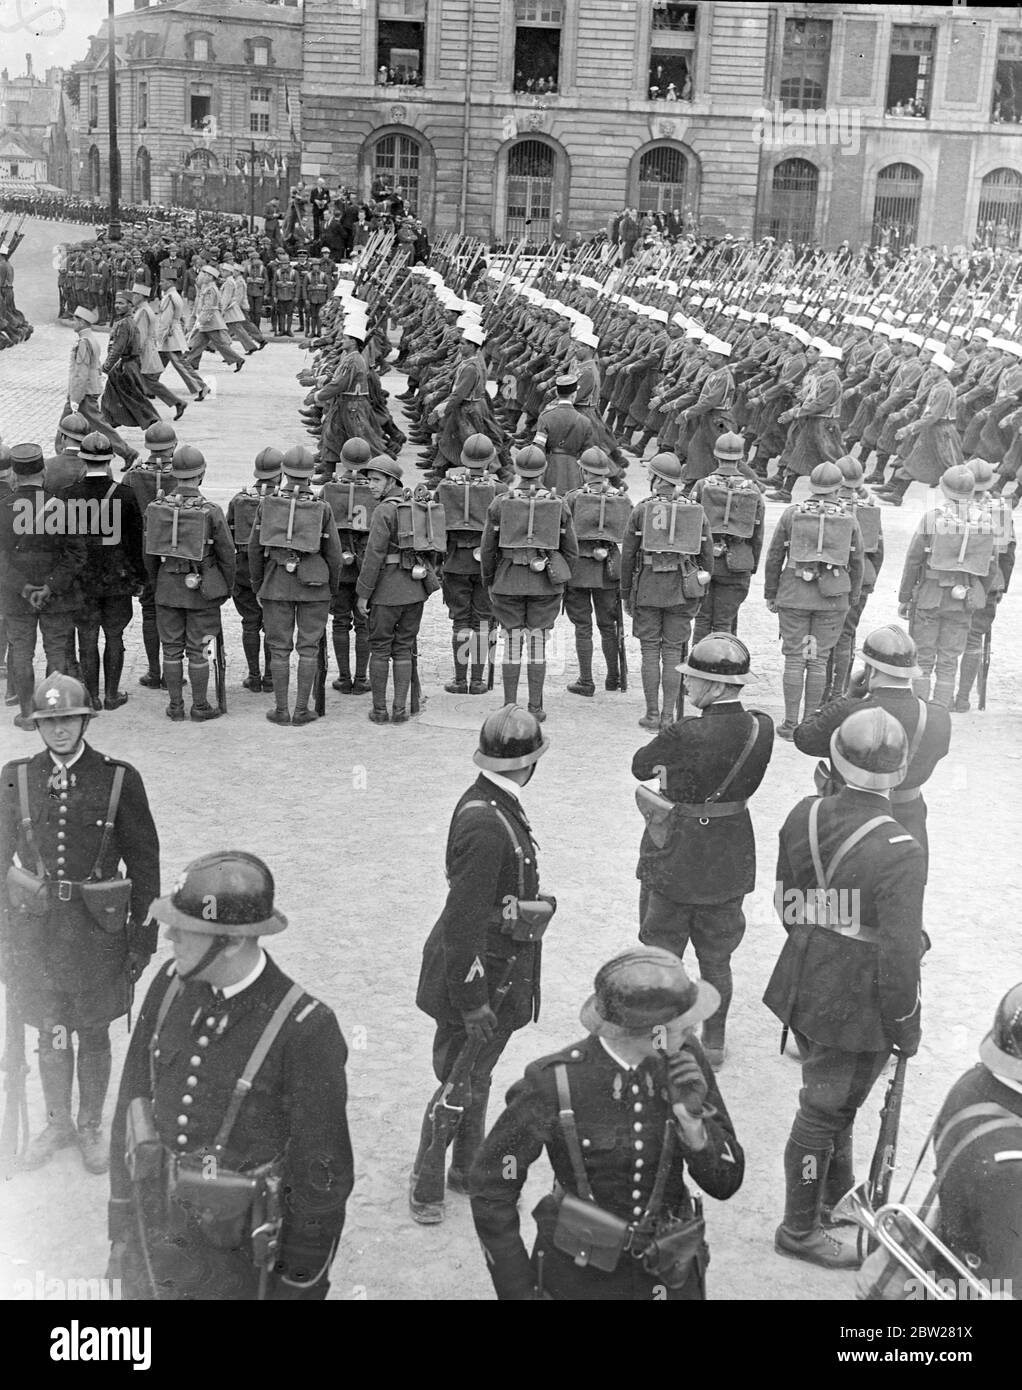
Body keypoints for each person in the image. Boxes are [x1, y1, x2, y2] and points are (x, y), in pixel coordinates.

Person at [107, 850, 354, 1300]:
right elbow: (132, 1100)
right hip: (155, 1236)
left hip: (238, 1261)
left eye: (185, 929)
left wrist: (300, 1285)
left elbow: (322, 1179)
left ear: (234, 941)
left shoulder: (305, 1028)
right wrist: (121, 1223)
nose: (169, 936)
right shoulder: (168, 984)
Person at [469, 946, 744, 1300]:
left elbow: (727, 1183)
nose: (694, 1027)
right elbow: (493, 1187)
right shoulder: (554, 1082)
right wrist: (518, 1290)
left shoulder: (686, 1062)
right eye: (682, 1023)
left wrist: (694, 1127)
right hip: (579, 1278)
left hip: (669, 1276)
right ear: (648, 1030)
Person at [765, 707, 924, 1269]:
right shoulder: (902, 846)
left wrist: (822, 939)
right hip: (858, 998)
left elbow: (787, 904)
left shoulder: (803, 813)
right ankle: (799, 1228)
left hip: (804, 975)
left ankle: (836, 1195)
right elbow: (901, 951)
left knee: (834, 1103)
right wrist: (907, 1021)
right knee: (822, 1110)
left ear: (833, 758)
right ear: (899, 772)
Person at [1, 674, 160, 1175]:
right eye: (49, 722)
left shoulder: (118, 778)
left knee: (92, 1031)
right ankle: (58, 1124)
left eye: (68, 719)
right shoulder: (17, 777)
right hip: (38, 933)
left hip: (98, 932)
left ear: (85, 719)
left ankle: (90, 1125)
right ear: (37, 726)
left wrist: (141, 938)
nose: (60, 731)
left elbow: (145, 865)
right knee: (49, 1029)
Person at [411, 705, 553, 1223]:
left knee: (477, 1075)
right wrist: (471, 1002)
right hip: (480, 975)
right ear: (529, 764)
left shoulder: (492, 801)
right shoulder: (488, 822)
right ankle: (426, 1183)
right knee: (457, 1081)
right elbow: (463, 921)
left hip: (499, 966)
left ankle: (466, 1168)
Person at [631, 634, 773, 1069]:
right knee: (717, 958)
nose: (687, 685)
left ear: (714, 686)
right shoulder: (760, 726)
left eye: (692, 678)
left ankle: (663, 1035)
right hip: (730, 853)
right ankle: (714, 1039)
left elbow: (640, 764)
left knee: (662, 952)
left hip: (676, 853)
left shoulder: (684, 732)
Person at [793, 624, 951, 882]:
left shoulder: (851, 712)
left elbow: (804, 738)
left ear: (871, 670)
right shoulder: (937, 716)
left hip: (851, 821)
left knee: (845, 903)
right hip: (908, 822)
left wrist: (847, 696)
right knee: (899, 897)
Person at [764, 460, 864, 739]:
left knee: (795, 659)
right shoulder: (849, 518)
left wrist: (771, 593)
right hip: (832, 601)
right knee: (818, 660)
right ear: (837, 488)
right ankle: (809, 725)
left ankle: (790, 722)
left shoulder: (791, 514)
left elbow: (774, 557)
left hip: (794, 596)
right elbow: (857, 563)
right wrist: (852, 597)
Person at [479, 446, 579, 722]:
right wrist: (562, 578)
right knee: (537, 644)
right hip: (545, 584)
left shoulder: (501, 502)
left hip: (508, 581)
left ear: (517, 470)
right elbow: (571, 550)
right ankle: (535, 707)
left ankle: (509, 707)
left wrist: (490, 580)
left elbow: (488, 550)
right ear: (544, 470)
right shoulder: (559, 502)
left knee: (511, 643)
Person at [620, 450, 714, 730]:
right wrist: (700, 587)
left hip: (648, 587)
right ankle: (668, 716)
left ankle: (651, 714)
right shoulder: (696, 510)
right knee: (673, 652)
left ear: (657, 478)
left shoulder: (641, 509)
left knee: (650, 651)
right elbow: (707, 556)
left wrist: (627, 593)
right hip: (683, 589)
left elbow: (627, 556)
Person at [249, 445, 342, 726]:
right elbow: (334, 555)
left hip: (276, 584)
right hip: (315, 586)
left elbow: (254, 550)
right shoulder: (322, 507)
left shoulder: (268, 504)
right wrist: (331, 589)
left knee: (278, 648)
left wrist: (258, 585)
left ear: (284, 473)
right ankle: (302, 710)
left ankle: (281, 709)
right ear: (310, 474)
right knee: (309, 648)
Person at [143, 445, 236, 723]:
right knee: (199, 649)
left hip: (167, 587)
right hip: (201, 590)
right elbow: (227, 556)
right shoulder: (211, 510)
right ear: (202, 475)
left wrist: (156, 583)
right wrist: (224, 588)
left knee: (171, 648)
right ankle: (200, 706)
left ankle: (175, 706)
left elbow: (148, 554)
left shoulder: (155, 508)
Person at [0, 443, 85, 729]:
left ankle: (27, 714)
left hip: (16, 595)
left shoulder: (3, 508)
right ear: (43, 470)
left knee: (21, 651)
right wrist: (50, 586)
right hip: (57, 595)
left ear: (14, 474)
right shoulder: (61, 507)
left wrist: (24, 587)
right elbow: (76, 554)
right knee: (57, 652)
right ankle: (51, 713)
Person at [62, 433, 145, 713]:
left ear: (84, 459)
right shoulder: (126, 495)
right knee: (114, 635)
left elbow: (62, 544)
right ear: (110, 459)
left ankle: (91, 697)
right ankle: (111, 695)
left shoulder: (68, 496)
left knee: (86, 636)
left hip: (81, 580)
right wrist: (139, 579)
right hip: (117, 578)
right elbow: (136, 544)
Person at [898, 463, 990, 707]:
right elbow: (989, 566)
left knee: (924, 658)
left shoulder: (933, 517)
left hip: (930, 596)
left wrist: (905, 597)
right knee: (949, 660)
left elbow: (913, 560)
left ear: (945, 489)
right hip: (962, 599)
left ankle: (920, 710)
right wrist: (977, 595)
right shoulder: (987, 520)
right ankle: (940, 712)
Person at [355, 456, 438, 723]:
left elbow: (373, 556)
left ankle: (380, 711)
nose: (371, 485)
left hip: (386, 592)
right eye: (369, 479)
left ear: (392, 481)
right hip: (414, 589)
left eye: (376, 480)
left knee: (380, 649)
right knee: (403, 648)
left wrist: (364, 593)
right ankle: (400, 711)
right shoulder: (416, 505)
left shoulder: (383, 511)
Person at [436, 433, 506, 694]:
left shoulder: (446, 485)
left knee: (460, 622)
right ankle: (478, 681)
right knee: (485, 622)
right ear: (489, 461)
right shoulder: (500, 489)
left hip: (455, 562)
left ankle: (460, 680)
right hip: (488, 567)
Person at [563, 446, 630, 695]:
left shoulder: (572, 497)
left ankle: (586, 680)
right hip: (609, 569)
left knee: (583, 627)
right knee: (608, 626)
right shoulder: (621, 498)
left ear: (583, 471)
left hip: (578, 569)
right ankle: (613, 678)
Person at [689, 431, 765, 642]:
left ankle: (697, 669)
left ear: (716, 456)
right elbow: (757, 536)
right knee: (726, 622)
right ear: (741, 458)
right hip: (738, 563)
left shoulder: (702, 485)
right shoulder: (753, 490)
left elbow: (690, 527)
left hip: (704, 563)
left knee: (703, 620)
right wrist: (752, 565)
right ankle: (726, 668)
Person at [227, 448, 282, 695]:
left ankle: (253, 675)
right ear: (280, 475)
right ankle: (270, 677)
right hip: (273, 574)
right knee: (272, 625)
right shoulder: (283, 501)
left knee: (249, 624)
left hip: (244, 572)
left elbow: (228, 537)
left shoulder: (239, 499)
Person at [67, 305, 138, 467]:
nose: (73, 323)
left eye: (75, 320)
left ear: (83, 322)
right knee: (72, 428)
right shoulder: (91, 339)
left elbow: (81, 372)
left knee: (95, 427)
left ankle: (127, 452)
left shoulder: (83, 342)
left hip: (83, 393)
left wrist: (75, 399)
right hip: (87, 391)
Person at [100, 292, 160, 436]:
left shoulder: (124, 324)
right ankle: (106, 426)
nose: (117, 306)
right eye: (116, 303)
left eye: (121, 303)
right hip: (127, 366)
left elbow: (117, 349)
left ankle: (156, 425)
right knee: (110, 399)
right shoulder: (127, 321)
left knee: (134, 400)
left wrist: (105, 368)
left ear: (130, 306)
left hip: (124, 367)